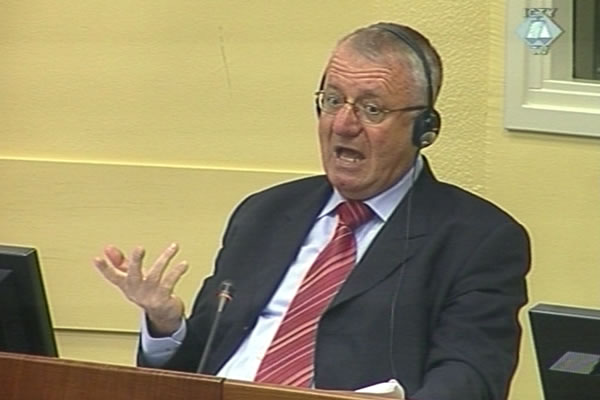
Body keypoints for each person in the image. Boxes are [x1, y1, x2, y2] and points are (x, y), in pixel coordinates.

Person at [94, 22, 530, 400]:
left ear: (423, 129)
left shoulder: (478, 239)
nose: (343, 124)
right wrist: (166, 326)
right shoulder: (264, 213)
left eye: (371, 109)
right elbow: (198, 368)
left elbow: (471, 379)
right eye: (333, 101)